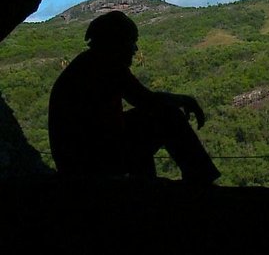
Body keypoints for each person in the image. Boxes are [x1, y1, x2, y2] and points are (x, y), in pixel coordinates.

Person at [48, 10, 220, 185]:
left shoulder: (87, 64)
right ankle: (201, 178)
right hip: (91, 162)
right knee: (167, 114)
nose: (135, 48)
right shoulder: (106, 65)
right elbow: (147, 100)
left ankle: (146, 181)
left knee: (143, 120)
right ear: (117, 42)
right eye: (132, 41)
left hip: (80, 160)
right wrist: (186, 100)